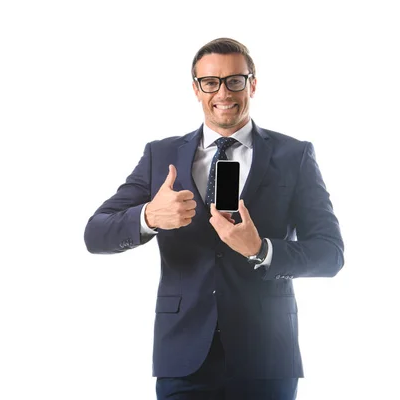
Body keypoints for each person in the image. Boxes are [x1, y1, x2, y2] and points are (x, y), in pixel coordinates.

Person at [83, 38, 344, 400]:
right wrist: (148, 217)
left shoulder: (294, 156)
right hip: (183, 356)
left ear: (252, 84)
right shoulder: (161, 156)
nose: (223, 92)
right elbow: (95, 234)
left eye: (235, 80)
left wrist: (261, 250)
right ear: (196, 89)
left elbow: (330, 255)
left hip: (266, 357)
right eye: (211, 82)